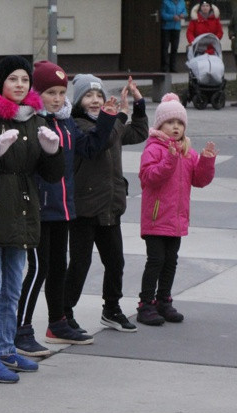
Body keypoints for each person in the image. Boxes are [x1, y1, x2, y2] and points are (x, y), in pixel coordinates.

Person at [0, 56, 64, 383]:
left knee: (12, 289)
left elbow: (51, 175)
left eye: (24, 80)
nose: (19, 85)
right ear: (1, 83)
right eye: (13, 79)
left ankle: (6, 348)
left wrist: (53, 151)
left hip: (22, 213)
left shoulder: (33, 119)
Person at [14, 61, 118, 357]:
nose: (58, 98)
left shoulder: (67, 122)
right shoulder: (32, 122)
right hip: (38, 210)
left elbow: (90, 148)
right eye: (50, 92)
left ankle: (57, 323)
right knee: (39, 269)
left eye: (61, 92)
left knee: (59, 267)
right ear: (37, 93)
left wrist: (108, 118)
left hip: (63, 208)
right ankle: (21, 329)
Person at [63, 75, 148, 334]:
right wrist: (117, 117)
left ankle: (111, 309)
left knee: (115, 261)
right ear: (78, 101)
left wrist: (138, 104)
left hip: (110, 204)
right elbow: (102, 141)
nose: (95, 100)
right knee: (80, 263)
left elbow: (138, 132)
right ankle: (64, 312)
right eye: (88, 96)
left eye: (99, 95)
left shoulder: (107, 123)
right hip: (85, 207)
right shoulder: (76, 126)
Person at [136, 93, 217, 326]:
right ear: (160, 124)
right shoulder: (154, 149)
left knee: (171, 261)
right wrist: (169, 161)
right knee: (156, 260)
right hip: (156, 217)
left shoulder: (186, 151)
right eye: (171, 122)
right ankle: (146, 304)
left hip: (177, 219)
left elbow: (199, 180)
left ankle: (164, 300)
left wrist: (206, 161)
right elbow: (149, 177)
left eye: (180, 123)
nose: (176, 127)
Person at [161, 0, 187, 72]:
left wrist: (183, 15)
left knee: (174, 48)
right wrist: (172, 17)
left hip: (176, 28)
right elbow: (163, 14)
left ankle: (173, 67)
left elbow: (185, 12)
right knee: (165, 47)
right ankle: (165, 67)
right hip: (166, 28)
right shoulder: (165, 2)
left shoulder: (182, 2)